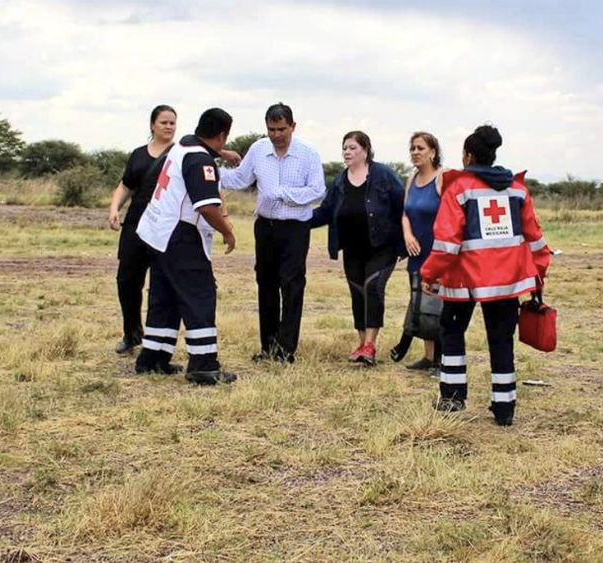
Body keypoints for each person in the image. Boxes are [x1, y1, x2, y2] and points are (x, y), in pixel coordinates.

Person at [420, 124, 551, 426]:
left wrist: (429, 274)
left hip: (463, 279)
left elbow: (446, 243)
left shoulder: (459, 188)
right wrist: (538, 274)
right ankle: (504, 409)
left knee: (452, 334)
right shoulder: (518, 190)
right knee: (501, 340)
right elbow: (536, 239)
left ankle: (452, 400)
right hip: (507, 282)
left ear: (468, 156)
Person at [133, 108, 237, 385]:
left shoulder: (183, 145)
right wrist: (228, 231)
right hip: (179, 235)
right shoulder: (199, 160)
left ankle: (153, 357)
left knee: (164, 297)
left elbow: (202, 149)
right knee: (200, 295)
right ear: (223, 135)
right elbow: (207, 207)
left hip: (156, 232)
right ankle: (203, 364)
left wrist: (221, 155)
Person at [220, 103, 326, 364]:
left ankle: (286, 349)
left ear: (292, 126)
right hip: (265, 226)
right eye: (271, 129)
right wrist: (208, 171)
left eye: (281, 129)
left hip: (295, 228)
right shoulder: (258, 149)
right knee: (266, 284)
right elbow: (240, 179)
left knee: (291, 284)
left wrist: (281, 194)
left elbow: (317, 191)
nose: (276, 135)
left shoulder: (308, 153)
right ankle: (268, 346)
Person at [309, 131, 404, 365]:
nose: (347, 152)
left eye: (352, 148)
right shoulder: (340, 181)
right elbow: (326, 210)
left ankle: (371, 344)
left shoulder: (384, 175)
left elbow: (403, 207)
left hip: (382, 245)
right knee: (358, 292)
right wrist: (297, 220)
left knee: (373, 288)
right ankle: (362, 343)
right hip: (351, 247)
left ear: (365, 150)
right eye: (345, 148)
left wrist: (405, 241)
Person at [107, 105, 176, 354]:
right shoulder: (137, 154)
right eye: (164, 122)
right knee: (127, 280)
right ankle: (131, 334)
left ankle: (157, 341)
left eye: (172, 123)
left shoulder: (179, 154)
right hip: (136, 223)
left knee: (162, 284)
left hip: (165, 225)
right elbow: (125, 185)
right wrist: (115, 208)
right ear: (152, 125)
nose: (168, 127)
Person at [390, 131, 446, 372]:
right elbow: (404, 213)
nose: (415, 152)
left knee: (437, 307)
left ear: (433, 151)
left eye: (420, 148)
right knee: (419, 302)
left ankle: (441, 361)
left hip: (436, 251)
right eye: (412, 148)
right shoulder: (412, 178)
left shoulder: (442, 177)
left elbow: (450, 215)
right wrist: (407, 235)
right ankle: (428, 356)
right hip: (415, 250)